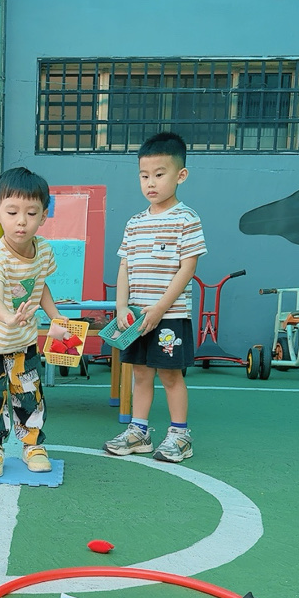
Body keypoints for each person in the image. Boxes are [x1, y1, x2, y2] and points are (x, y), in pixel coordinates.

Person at [104, 131, 206, 463]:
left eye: (159, 174)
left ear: (181, 175)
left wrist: (161, 308)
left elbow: (188, 268)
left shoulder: (187, 219)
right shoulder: (134, 223)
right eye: (144, 175)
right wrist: (122, 306)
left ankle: (180, 436)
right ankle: (139, 432)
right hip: (136, 318)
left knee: (171, 375)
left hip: (170, 317)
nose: (151, 183)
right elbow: (124, 267)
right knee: (140, 373)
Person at [0, 166, 68, 478]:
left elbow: (41, 287)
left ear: (43, 216)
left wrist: (56, 317)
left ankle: (32, 445)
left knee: (29, 392)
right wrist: (8, 317)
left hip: (24, 341)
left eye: (31, 213)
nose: (22, 221)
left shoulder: (44, 251)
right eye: (12, 212)